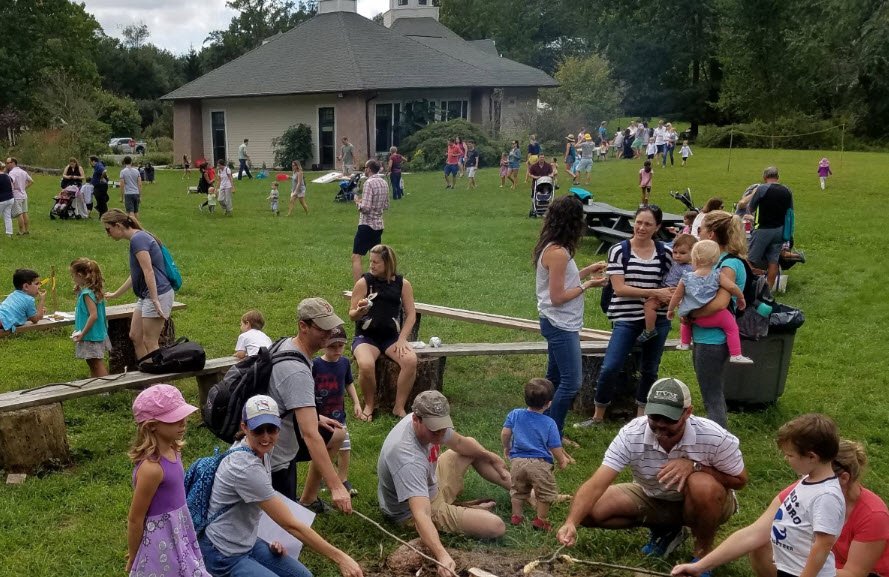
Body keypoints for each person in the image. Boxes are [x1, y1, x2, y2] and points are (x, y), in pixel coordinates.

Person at [558, 378, 748, 564]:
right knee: (587, 510)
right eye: (654, 417)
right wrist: (571, 522)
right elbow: (596, 483)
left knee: (701, 484)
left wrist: (696, 467)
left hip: (704, 500)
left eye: (669, 418)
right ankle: (667, 530)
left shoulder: (713, 436)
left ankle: (703, 555)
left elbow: (740, 480)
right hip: (653, 495)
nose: (660, 424)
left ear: (688, 412)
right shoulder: (632, 433)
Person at [199, 395, 364, 577]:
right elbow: (291, 525)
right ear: (244, 427)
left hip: (248, 540)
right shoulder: (245, 468)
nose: (266, 437)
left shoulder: (261, 450)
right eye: (258, 430)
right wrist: (341, 558)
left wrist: (271, 537)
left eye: (272, 429)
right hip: (224, 555)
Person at [671, 413, 843, 577]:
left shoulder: (826, 496)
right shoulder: (807, 483)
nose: (786, 459)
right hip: (788, 570)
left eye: (790, 455)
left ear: (812, 457)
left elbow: (823, 545)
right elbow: (754, 533)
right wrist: (700, 566)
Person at [377, 391, 512, 577]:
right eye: (435, 430)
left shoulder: (431, 421)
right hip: (410, 510)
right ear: (416, 419)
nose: (440, 434)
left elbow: (459, 442)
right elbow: (420, 514)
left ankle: (520, 493)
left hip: (430, 482)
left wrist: (491, 457)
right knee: (496, 526)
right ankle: (457, 510)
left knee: (472, 447)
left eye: (443, 427)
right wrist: (442, 555)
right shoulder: (406, 457)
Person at [582, 205, 674, 426]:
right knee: (611, 366)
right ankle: (598, 415)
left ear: (657, 227)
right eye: (638, 222)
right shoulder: (619, 250)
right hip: (626, 317)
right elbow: (620, 289)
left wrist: (669, 296)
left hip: (658, 319)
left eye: (647, 224)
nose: (641, 228)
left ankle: (641, 419)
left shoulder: (666, 253)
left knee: (650, 369)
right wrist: (653, 292)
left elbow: (673, 286)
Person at [749, 440, 889, 577]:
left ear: (844, 478)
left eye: (814, 475)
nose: (806, 479)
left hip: (854, 572)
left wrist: (800, 569)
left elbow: (853, 573)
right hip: (818, 563)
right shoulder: (810, 486)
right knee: (761, 548)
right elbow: (754, 533)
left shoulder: (874, 514)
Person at [266, 298, 352, 514]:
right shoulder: (297, 372)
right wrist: (336, 486)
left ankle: (308, 499)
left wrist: (316, 416)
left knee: (337, 434)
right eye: (323, 328)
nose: (329, 333)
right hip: (275, 456)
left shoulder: (286, 345)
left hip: (277, 430)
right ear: (303, 326)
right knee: (285, 538)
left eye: (331, 326)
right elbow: (310, 434)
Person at [533, 196, 607, 438]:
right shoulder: (558, 252)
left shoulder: (555, 248)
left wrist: (587, 271)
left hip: (558, 321)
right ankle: (554, 434)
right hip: (560, 323)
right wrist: (588, 285)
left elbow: (562, 279)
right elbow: (557, 296)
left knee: (553, 379)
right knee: (571, 382)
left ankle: (539, 426)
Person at [126, 384, 209, 577]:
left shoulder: (173, 450)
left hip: (179, 529)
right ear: (152, 425)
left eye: (183, 416)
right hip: (161, 538)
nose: (183, 423)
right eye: (174, 419)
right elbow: (135, 518)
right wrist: (133, 555)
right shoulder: (151, 469)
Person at [686, 210, 749, 428]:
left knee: (711, 395)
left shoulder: (727, 265)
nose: (698, 233)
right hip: (705, 336)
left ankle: (719, 444)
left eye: (700, 229)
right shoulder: (714, 262)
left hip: (713, 339)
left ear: (711, 235)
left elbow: (721, 303)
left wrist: (689, 313)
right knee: (711, 391)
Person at [348, 243, 417, 420]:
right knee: (366, 364)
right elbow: (351, 315)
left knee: (410, 360)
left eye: (376, 262)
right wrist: (360, 311)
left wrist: (402, 339)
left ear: (388, 263)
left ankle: (398, 407)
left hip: (391, 337)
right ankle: (370, 404)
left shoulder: (403, 284)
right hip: (366, 337)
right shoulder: (364, 282)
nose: (371, 265)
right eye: (370, 261)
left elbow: (411, 315)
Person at [666, 240, 754, 363]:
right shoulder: (717, 275)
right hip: (716, 316)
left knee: (684, 322)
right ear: (715, 259)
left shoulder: (686, 277)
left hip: (694, 318)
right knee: (732, 328)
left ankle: (684, 342)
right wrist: (741, 298)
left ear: (694, 258)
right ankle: (736, 354)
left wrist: (671, 310)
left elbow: (676, 296)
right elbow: (732, 287)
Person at [102, 210, 174, 359]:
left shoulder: (138, 239)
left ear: (118, 225)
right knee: (135, 336)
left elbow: (149, 272)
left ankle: (158, 379)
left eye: (108, 229)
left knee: (150, 341)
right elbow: (137, 274)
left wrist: (154, 300)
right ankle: (146, 370)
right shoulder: (137, 238)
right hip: (147, 295)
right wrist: (116, 294)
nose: (108, 234)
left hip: (157, 293)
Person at [501, 378, 570, 531]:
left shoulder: (515, 414)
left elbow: (505, 433)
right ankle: (541, 520)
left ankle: (516, 516)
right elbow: (555, 446)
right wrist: (562, 460)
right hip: (540, 464)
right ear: (549, 403)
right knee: (544, 494)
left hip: (517, 462)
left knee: (518, 491)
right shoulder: (549, 423)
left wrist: (507, 447)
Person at [312, 325, 361, 496]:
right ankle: (322, 477)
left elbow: (349, 383)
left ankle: (343, 478)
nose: (338, 350)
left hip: (339, 415)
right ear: (324, 345)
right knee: (324, 449)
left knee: (345, 447)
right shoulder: (316, 364)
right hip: (321, 416)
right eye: (333, 346)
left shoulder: (345, 363)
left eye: (341, 346)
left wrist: (356, 402)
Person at [737, 166, 794, 289]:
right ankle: (768, 292)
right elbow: (790, 210)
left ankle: (747, 287)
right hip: (780, 230)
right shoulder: (787, 190)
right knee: (773, 261)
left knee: (749, 259)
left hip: (763, 229)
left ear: (764, 178)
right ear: (778, 177)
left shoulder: (762, 189)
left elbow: (751, 208)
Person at [638, 233, 695, 343]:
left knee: (648, 305)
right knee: (684, 316)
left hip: (671, 291)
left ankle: (650, 330)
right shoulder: (677, 263)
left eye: (682, 253)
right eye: (675, 252)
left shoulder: (689, 268)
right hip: (668, 289)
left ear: (693, 253)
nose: (677, 255)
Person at [70, 258, 111, 378]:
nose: (73, 278)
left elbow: (93, 315)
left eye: (73, 275)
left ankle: (104, 390)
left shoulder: (87, 294)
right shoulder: (94, 290)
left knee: (96, 363)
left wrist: (82, 333)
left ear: (79, 275)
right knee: (92, 362)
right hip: (97, 332)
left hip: (90, 335)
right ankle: (96, 385)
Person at [350, 159, 389, 282]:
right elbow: (386, 205)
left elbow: (366, 208)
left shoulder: (368, 183)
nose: (364, 170)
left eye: (365, 168)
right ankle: (379, 283)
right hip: (378, 226)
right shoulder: (384, 182)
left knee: (356, 256)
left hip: (366, 225)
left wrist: (357, 203)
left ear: (369, 169)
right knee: (376, 258)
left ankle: (359, 287)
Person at [0, 269, 46, 335]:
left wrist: (39, 313)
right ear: (26, 286)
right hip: (3, 320)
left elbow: (23, 315)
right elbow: (35, 320)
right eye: (37, 284)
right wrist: (42, 300)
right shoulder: (29, 300)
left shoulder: (13, 294)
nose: (39, 286)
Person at [6, 158, 32, 235]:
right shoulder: (23, 171)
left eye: (8, 163)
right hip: (24, 195)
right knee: (25, 212)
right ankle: (26, 230)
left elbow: (10, 183)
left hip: (16, 196)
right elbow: (31, 181)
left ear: (13, 163)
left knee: (19, 214)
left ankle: (21, 231)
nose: (6, 164)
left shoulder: (12, 173)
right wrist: (23, 188)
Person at [0, 163, 13, 238]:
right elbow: (12, 185)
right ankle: (9, 233)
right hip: (10, 198)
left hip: (2, 200)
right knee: (8, 216)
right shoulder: (7, 176)